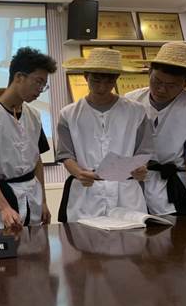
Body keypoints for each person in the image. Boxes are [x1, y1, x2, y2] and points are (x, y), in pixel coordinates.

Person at [57, 48, 153, 222]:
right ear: (86, 76)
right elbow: (65, 154)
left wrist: (140, 167)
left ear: (116, 78)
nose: (102, 87)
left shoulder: (136, 111)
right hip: (87, 192)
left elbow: (143, 151)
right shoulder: (69, 114)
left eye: (109, 81)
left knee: (130, 236)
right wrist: (79, 173)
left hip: (125, 191)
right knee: (85, 237)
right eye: (96, 80)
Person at [0, 47, 57, 230]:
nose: (40, 90)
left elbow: (37, 160)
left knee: (36, 246)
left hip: (32, 199)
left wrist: (43, 201)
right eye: (38, 82)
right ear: (19, 77)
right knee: (4, 246)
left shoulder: (34, 115)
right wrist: (4, 207)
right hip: (3, 200)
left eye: (44, 85)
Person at [126, 41, 186, 219]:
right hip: (134, 184)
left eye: (172, 85)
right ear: (149, 72)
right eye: (156, 81)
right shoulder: (130, 101)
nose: (161, 89)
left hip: (174, 187)